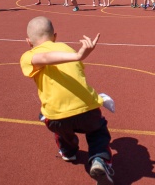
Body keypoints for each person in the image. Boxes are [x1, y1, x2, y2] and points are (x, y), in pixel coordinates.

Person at [20, 16, 114, 185]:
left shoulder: (28, 56)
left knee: (58, 126)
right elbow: (53, 61)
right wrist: (77, 55)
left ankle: (68, 151)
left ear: (28, 42)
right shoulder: (67, 50)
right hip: (88, 110)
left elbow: (44, 58)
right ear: (55, 36)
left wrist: (78, 56)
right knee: (97, 131)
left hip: (57, 117)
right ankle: (99, 159)